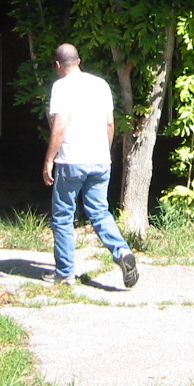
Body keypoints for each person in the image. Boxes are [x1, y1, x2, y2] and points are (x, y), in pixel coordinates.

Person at [42, 43, 138, 288]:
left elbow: (60, 125)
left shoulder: (61, 87)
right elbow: (109, 124)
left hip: (71, 160)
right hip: (99, 159)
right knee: (100, 212)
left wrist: (49, 159)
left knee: (63, 216)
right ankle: (122, 252)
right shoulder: (100, 85)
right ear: (79, 60)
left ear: (57, 65)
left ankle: (65, 273)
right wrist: (104, 152)